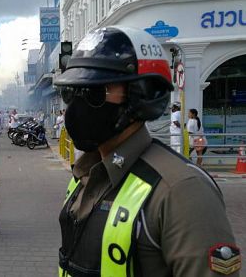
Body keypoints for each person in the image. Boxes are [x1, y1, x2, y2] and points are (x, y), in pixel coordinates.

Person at [54, 26, 240, 276]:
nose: (78, 104)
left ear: (141, 95)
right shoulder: (87, 173)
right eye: (70, 92)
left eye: (95, 92)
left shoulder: (182, 191)